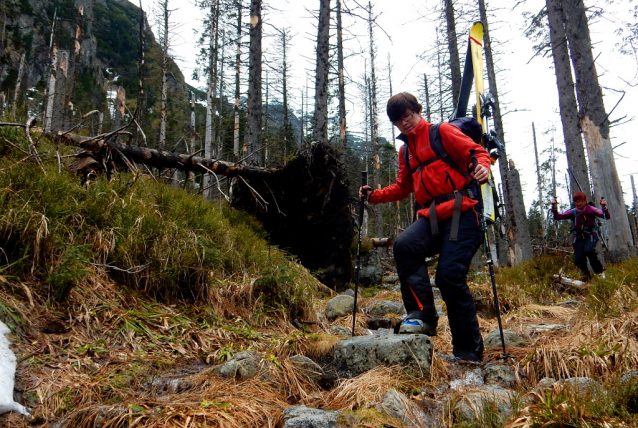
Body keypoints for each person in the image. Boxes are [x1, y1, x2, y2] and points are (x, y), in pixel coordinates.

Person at [359, 92, 491, 361]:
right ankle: (423, 316)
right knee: (405, 245)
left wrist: (483, 167)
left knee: (449, 276)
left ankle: (468, 351)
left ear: (417, 111)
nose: (404, 123)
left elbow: (477, 152)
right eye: (398, 121)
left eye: (407, 116)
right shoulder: (405, 150)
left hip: (464, 211)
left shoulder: (441, 132)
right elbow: (403, 187)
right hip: (432, 216)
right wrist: (374, 196)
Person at [551, 192, 610, 280]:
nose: (578, 204)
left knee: (589, 251)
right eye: (576, 202)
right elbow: (558, 217)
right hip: (578, 238)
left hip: (590, 235)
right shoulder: (573, 211)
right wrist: (554, 208)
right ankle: (586, 278)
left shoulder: (592, 209)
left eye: (580, 201)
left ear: (585, 201)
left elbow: (606, 216)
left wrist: (604, 207)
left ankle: (600, 273)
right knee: (579, 260)